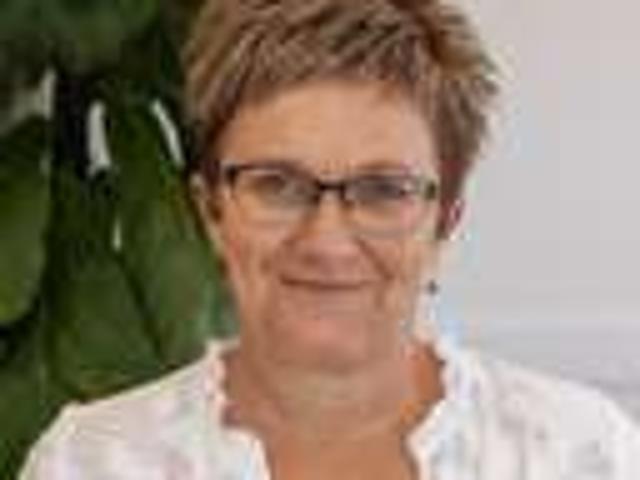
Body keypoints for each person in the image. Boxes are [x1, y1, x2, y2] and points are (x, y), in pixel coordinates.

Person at [20, 0, 640, 478]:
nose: (327, 242)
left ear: (444, 224)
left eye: (383, 189)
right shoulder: (91, 462)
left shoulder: (580, 453)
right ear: (210, 212)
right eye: (277, 184)